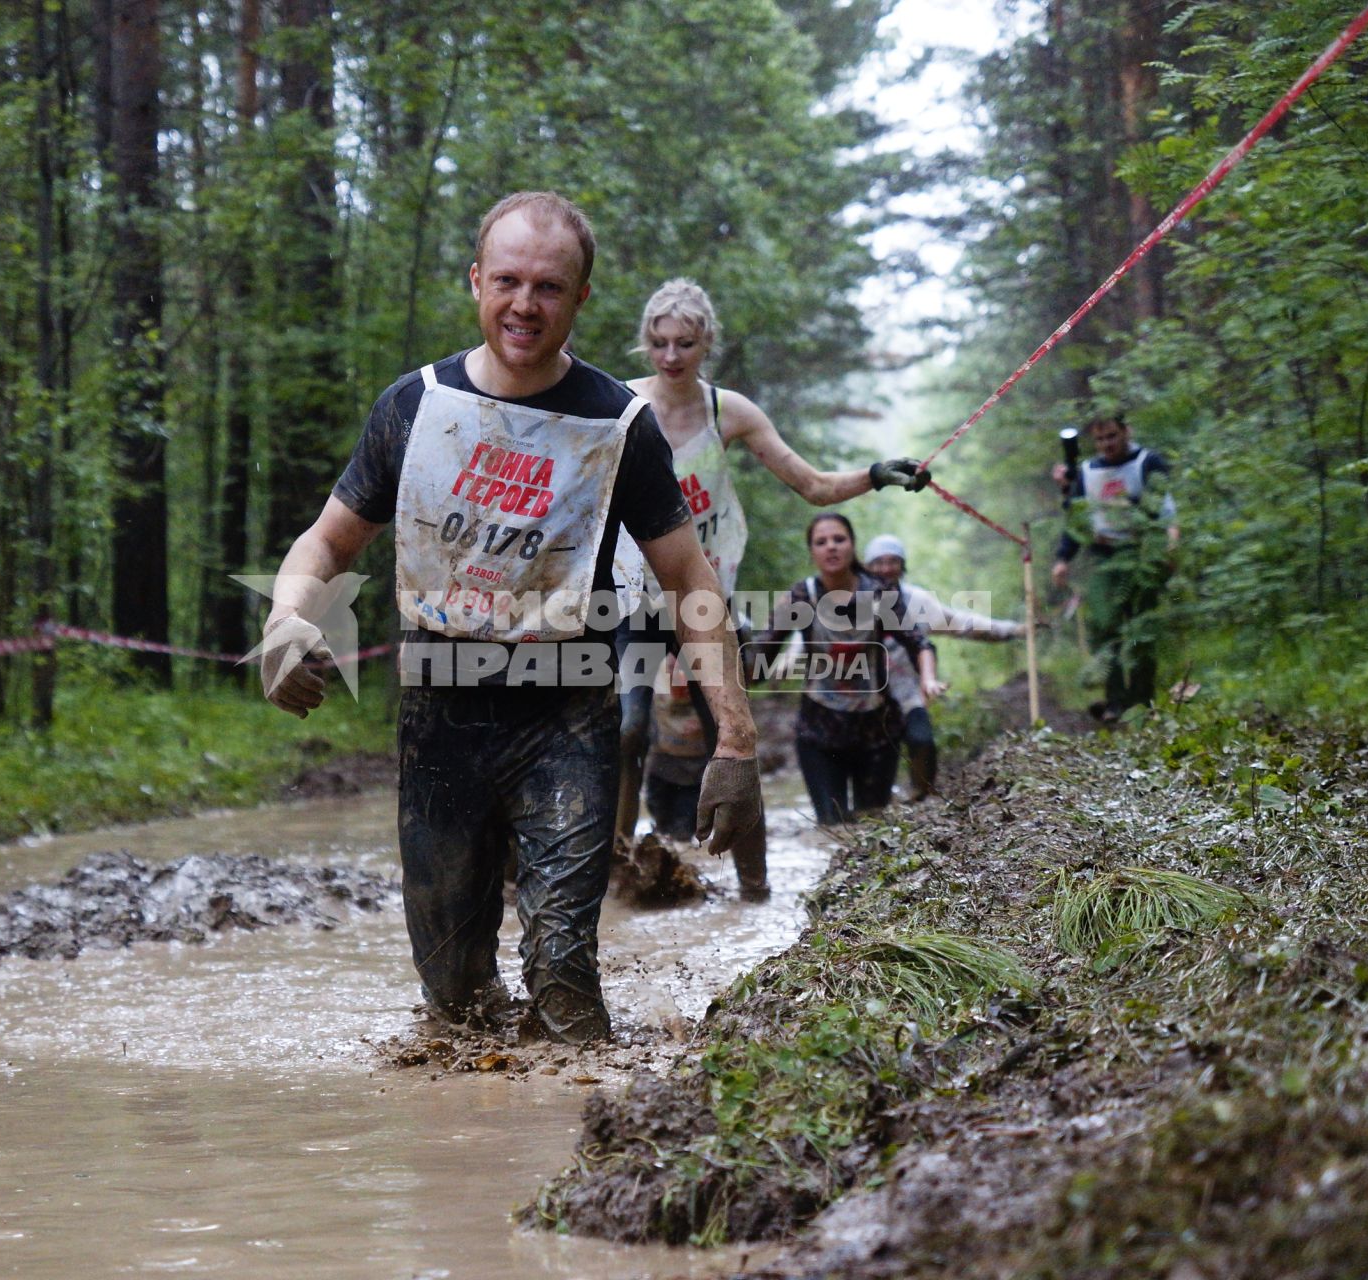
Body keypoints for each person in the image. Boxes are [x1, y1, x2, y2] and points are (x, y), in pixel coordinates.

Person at [257, 192, 763, 1045]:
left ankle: (583, 1146)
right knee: (452, 999)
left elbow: (689, 580)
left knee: (563, 975)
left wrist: (737, 743)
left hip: (567, 712)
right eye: (508, 282)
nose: (525, 305)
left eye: (549, 288)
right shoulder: (411, 408)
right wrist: (284, 624)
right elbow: (326, 544)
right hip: (441, 713)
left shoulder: (621, 425)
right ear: (475, 283)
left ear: (581, 299)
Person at [612, 280, 929, 879]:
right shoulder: (621, 403)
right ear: (645, 345)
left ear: (707, 343)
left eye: (684, 343)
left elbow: (811, 485)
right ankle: (616, 867)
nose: (671, 356)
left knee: (730, 737)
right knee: (627, 727)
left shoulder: (726, 411)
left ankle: (753, 885)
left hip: (704, 596)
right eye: (659, 344)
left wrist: (877, 474)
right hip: (635, 595)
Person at [752, 514, 923, 826]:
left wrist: (927, 681)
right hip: (819, 732)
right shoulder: (800, 596)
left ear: (852, 546)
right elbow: (759, 661)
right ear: (812, 552)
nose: (831, 547)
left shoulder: (880, 593)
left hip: (877, 733)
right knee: (831, 828)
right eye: (821, 542)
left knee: (871, 830)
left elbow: (916, 641)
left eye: (839, 539)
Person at [861, 534, 1025, 798]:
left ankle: (921, 797)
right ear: (866, 567)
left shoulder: (918, 602)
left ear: (903, 567)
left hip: (909, 692)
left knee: (921, 741)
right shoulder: (852, 601)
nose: (885, 568)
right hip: (865, 697)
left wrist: (1011, 630)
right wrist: (791, 657)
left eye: (893, 561)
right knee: (871, 765)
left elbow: (962, 623)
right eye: (878, 562)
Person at [1050, 414, 1179, 721]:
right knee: (1105, 628)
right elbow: (1077, 518)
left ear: (1126, 432)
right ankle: (1115, 701)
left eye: (1112, 436)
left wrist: (1169, 545)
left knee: (1141, 628)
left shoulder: (1148, 462)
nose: (1106, 444)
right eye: (1100, 439)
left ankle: (1142, 700)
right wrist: (1063, 559)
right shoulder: (1086, 471)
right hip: (1102, 556)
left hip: (1142, 552)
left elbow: (1165, 509)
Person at [643, 655, 709, 842]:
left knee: (685, 826)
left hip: (699, 768)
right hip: (662, 762)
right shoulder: (654, 664)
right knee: (662, 820)